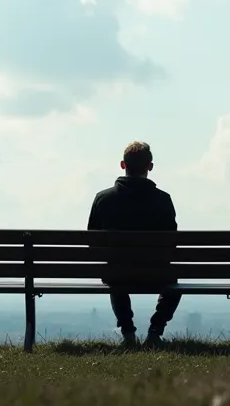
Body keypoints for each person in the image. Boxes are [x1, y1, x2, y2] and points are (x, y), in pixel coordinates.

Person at [87, 141, 181, 348]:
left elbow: (92, 242)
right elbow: (171, 242)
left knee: (114, 274)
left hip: (117, 273)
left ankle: (128, 333)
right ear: (150, 166)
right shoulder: (163, 200)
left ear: (123, 165)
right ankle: (155, 332)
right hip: (157, 273)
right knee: (175, 282)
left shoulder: (103, 199)